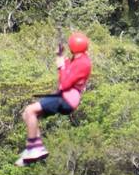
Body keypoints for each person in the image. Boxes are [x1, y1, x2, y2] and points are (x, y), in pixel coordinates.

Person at [15, 32, 92, 166]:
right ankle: (35, 147)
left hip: (66, 99)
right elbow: (67, 69)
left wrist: (61, 66)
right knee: (27, 115)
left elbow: (65, 83)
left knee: (30, 111)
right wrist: (61, 57)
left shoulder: (82, 63)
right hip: (65, 98)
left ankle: (34, 148)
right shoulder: (80, 59)